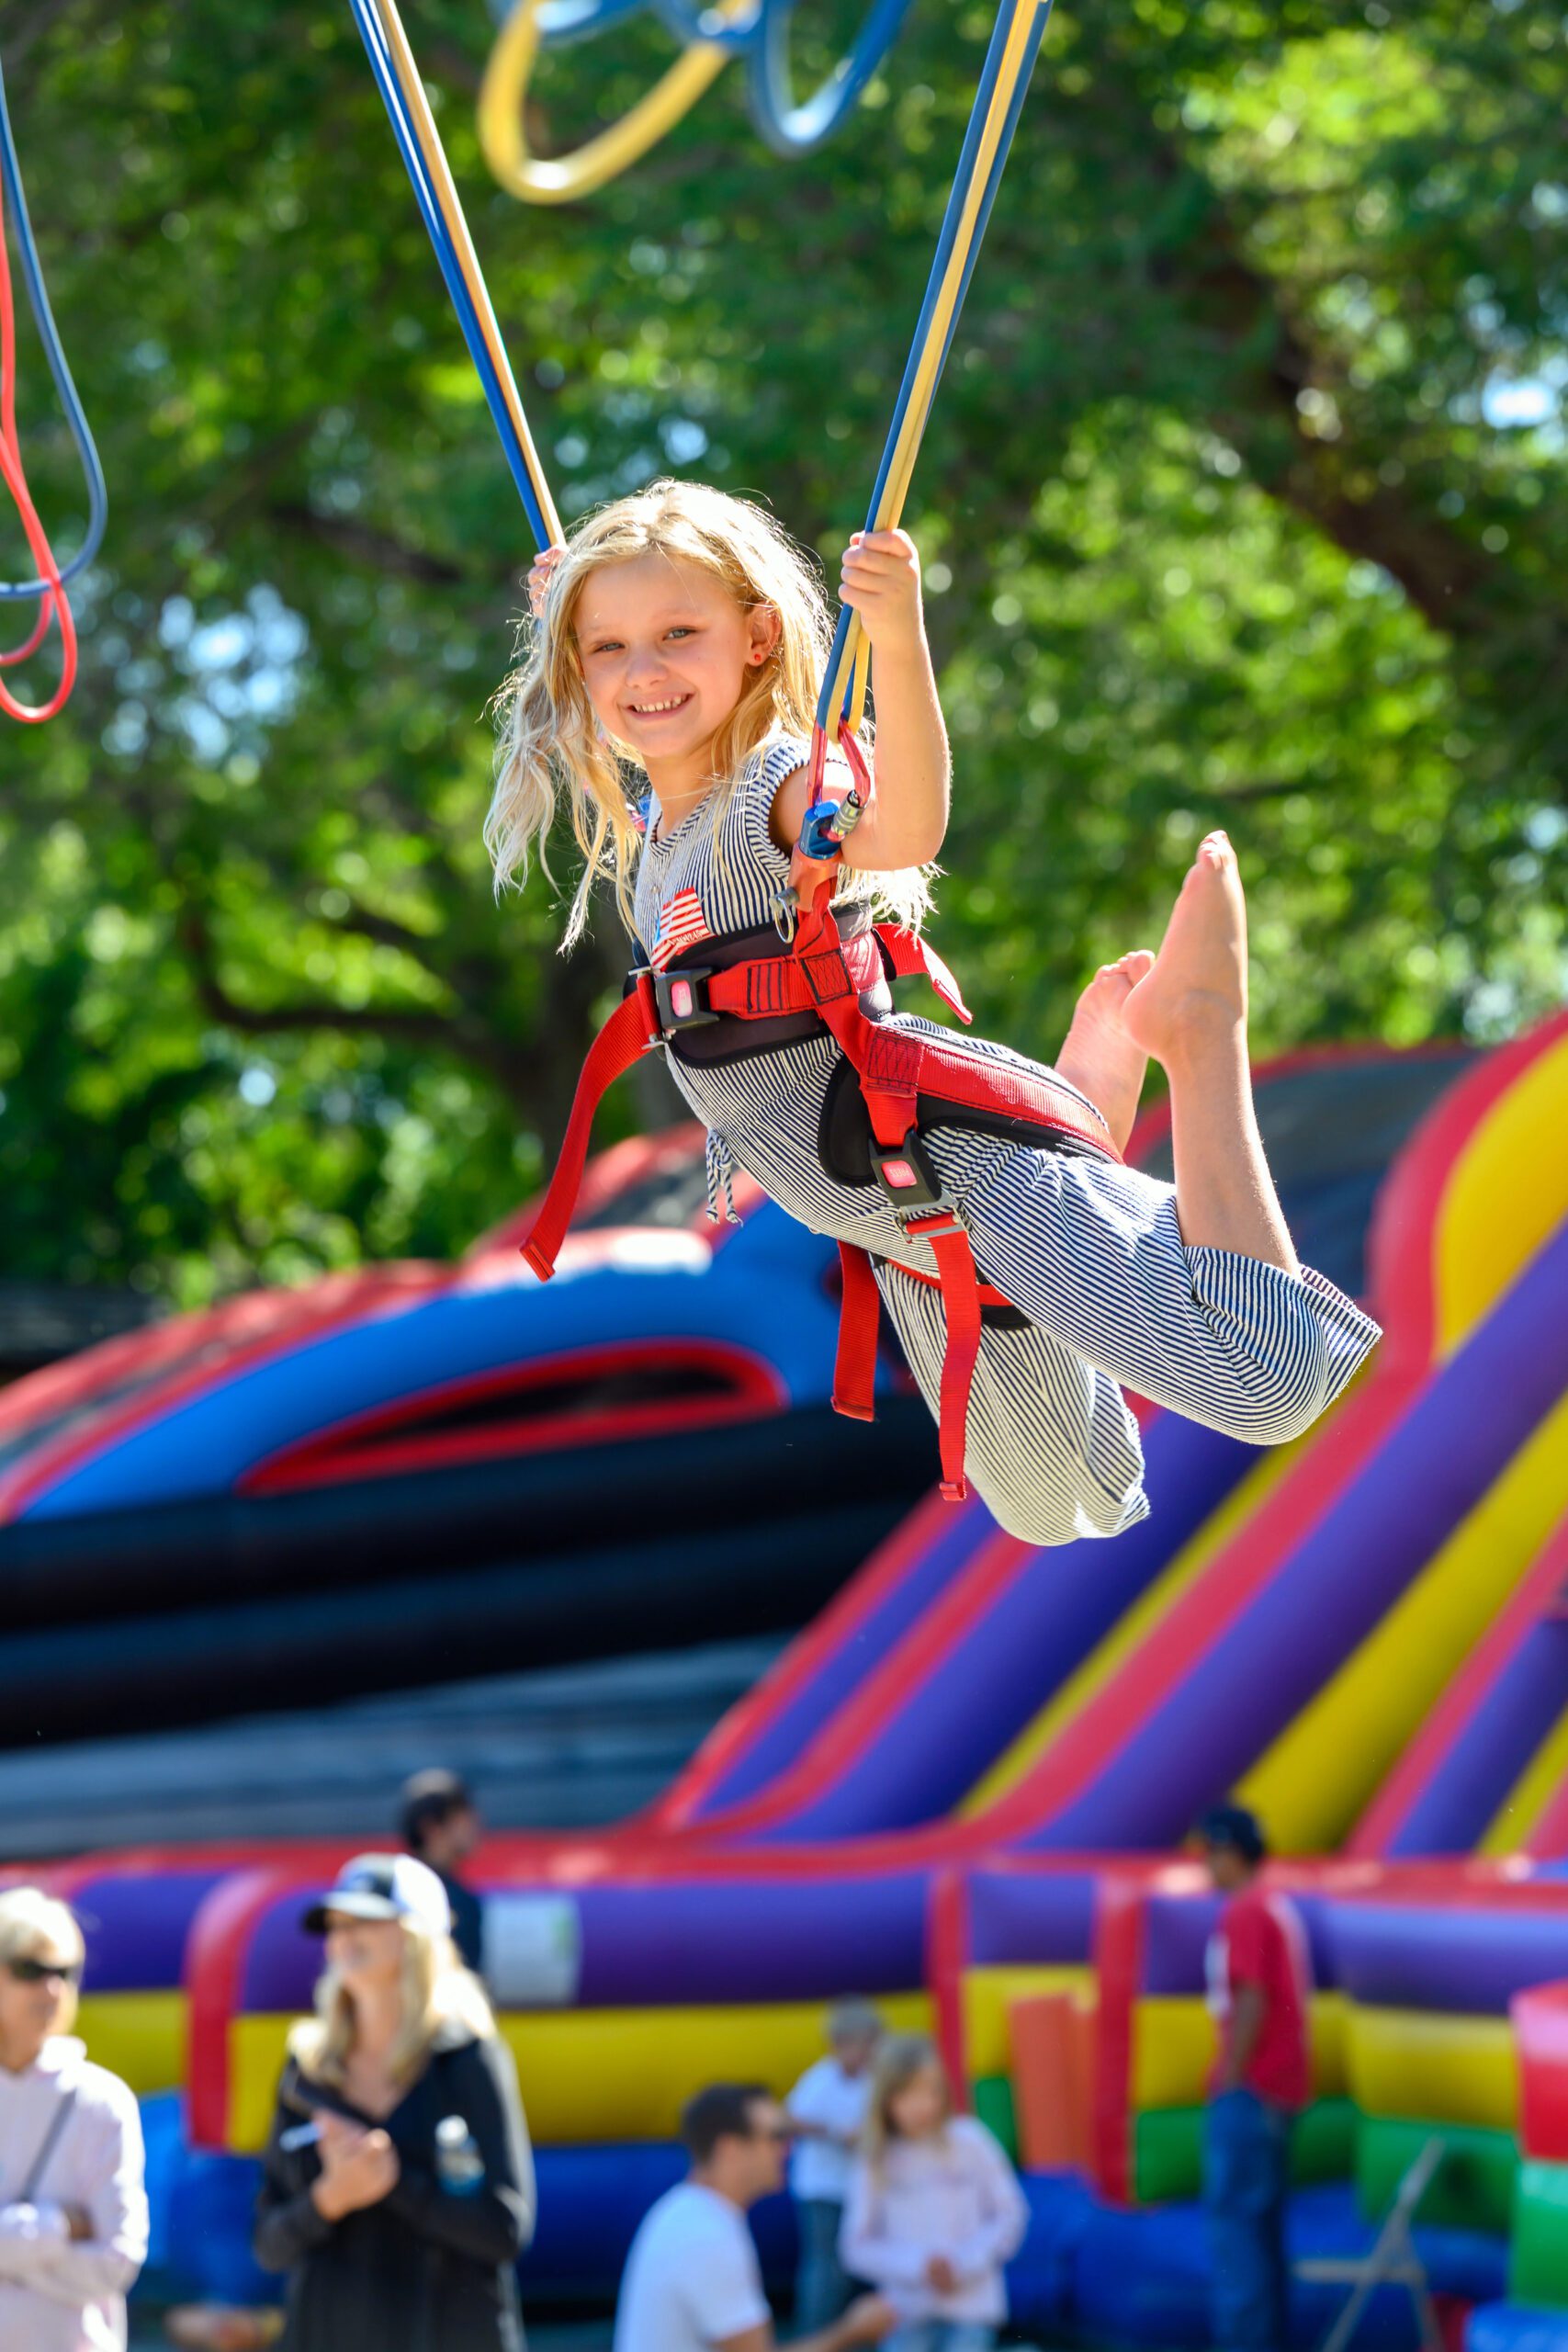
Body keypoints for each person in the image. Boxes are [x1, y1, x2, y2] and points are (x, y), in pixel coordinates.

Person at [490, 482, 1380, 1548]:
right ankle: (1088, 1088)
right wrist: (567, 613)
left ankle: (1194, 1029)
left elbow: (905, 826)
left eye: (681, 634)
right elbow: (612, 702)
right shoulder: (658, 820)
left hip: (944, 1164)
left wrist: (898, 636)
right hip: (905, 1225)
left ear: (759, 638)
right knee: (1057, 1505)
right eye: (611, 649)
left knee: (1265, 1384)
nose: (645, 671)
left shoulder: (775, 784)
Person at [253, 1853, 535, 2352]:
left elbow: (506, 2229)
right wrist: (332, 2198)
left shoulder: (467, 2058)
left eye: (365, 1919)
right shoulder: (309, 2068)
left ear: (413, 1936)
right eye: (336, 1923)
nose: (344, 1936)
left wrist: (395, 2184)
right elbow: (268, 2245)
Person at [615, 2083, 894, 2352]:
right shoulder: (706, 2234)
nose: (787, 2149)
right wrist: (853, 2330)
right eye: (776, 2137)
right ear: (730, 2149)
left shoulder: (691, 2213)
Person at [0, 1885, 147, 2352]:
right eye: (30, 1969)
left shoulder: (102, 2100)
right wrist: (60, 2225)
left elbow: (116, 2264)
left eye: (64, 1972)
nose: (52, 1989)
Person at [1198, 1803, 1313, 2352]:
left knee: (1237, 2240)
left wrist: (1230, 2075)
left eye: (1211, 1854)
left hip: (1252, 2092)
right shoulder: (1276, 1907)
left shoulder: (1244, 1911)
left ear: (1231, 1853)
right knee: (1264, 2240)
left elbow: (1252, 1997)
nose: (1206, 1867)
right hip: (1280, 2096)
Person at [840, 2033, 1027, 2352]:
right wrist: (918, 2266)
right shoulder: (875, 2158)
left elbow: (1010, 2215)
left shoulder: (971, 2141)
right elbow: (855, 2245)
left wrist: (964, 2263)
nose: (921, 2105)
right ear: (886, 2098)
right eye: (907, 2094)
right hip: (906, 2312)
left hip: (972, 2308)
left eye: (929, 2091)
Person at [787, 2001, 884, 2331]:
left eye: (873, 2043)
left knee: (865, 2264)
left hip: (863, 2187)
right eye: (862, 2044)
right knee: (827, 2266)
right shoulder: (821, 2078)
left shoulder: (875, 2079)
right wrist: (835, 2133)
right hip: (823, 2188)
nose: (869, 2051)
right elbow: (793, 2120)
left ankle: (861, 2333)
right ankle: (814, 2333)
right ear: (840, 2044)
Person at [400, 1768, 485, 1976]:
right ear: (431, 1827)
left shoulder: (400, 1886)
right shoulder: (450, 1900)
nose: (475, 1824)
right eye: (462, 1817)